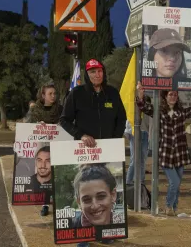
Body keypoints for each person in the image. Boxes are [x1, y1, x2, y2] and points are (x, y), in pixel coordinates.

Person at [60, 58, 126, 247]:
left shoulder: (112, 93)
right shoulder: (77, 94)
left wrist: (114, 139)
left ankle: (106, 234)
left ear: (103, 73)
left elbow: (121, 118)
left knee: (102, 197)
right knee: (87, 195)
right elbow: (64, 120)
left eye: (99, 72)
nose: (96, 75)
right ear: (87, 75)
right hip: (84, 155)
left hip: (107, 153)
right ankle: (84, 238)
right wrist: (80, 135)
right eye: (92, 72)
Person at [136, 81, 191, 215]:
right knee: (175, 182)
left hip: (180, 152)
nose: (173, 97)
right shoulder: (159, 111)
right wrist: (140, 94)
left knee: (177, 184)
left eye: (175, 95)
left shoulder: (181, 112)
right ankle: (167, 206)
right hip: (166, 152)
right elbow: (144, 107)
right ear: (165, 96)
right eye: (170, 94)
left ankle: (174, 208)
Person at [28, 83, 62, 216]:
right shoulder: (35, 110)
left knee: (57, 175)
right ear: (43, 95)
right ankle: (45, 204)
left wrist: (61, 124)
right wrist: (37, 125)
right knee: (45, 177)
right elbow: (28, 127)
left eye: (54, 93)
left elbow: (67, 122)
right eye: (50, 94)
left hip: (58, 147)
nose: (53, 96)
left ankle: (59, 202)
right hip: (42, 148)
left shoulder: (60, 109)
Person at [125, 101, 152, 185]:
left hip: (145, 134)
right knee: (135, 158)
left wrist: (150, 136)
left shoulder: (148, 111)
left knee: (142, 158)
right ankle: (128, 180)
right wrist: (128, 134)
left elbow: (150, 124)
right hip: (135, 134)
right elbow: (128, 123)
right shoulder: (133, 109)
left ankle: (141, 180)